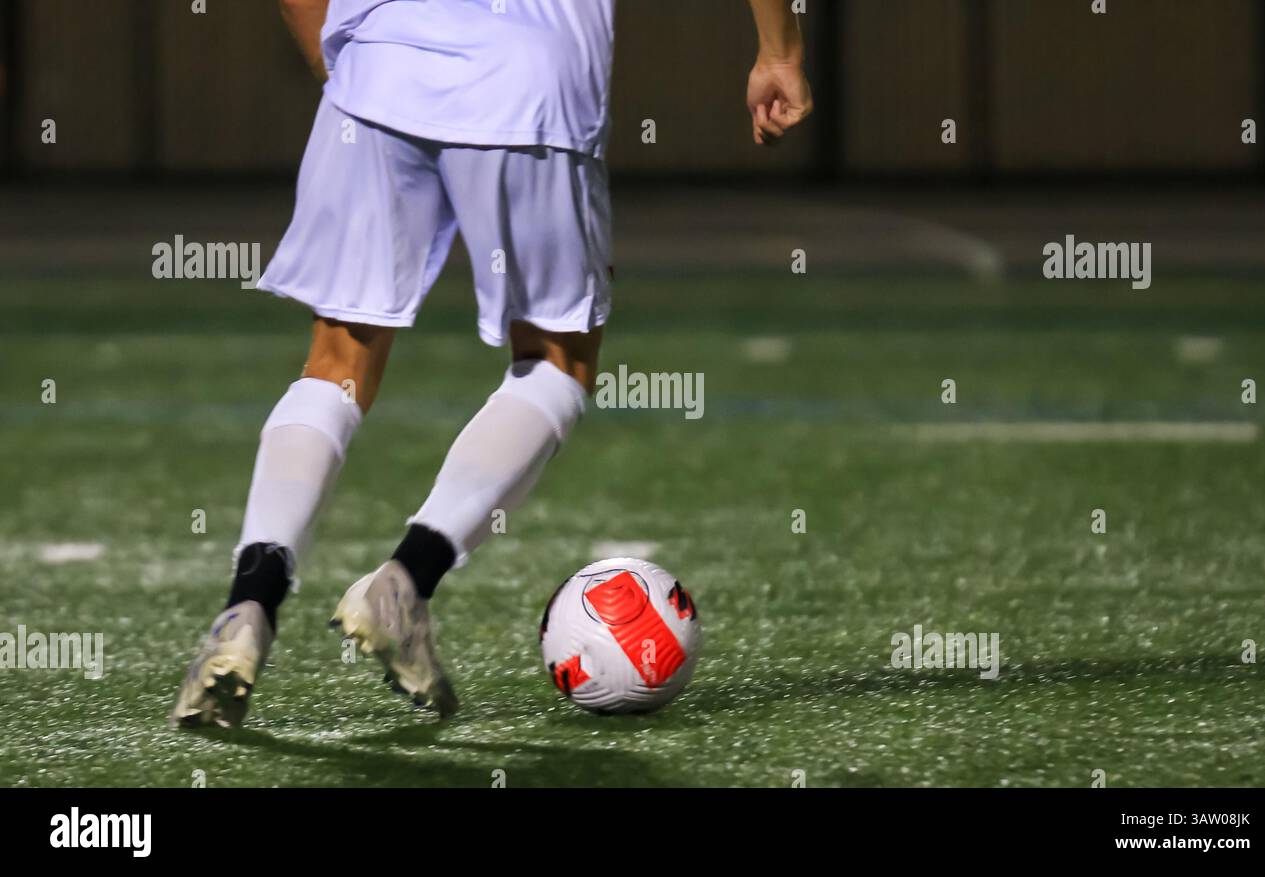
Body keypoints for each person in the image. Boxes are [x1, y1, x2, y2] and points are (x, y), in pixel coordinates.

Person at [172, 0, 812, 728]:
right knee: (555, 363)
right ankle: (405, 582)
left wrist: (351, 67)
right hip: (526, 78)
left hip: (378, 69)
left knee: (336, 361)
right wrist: (779, 54)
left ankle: (247, 602)